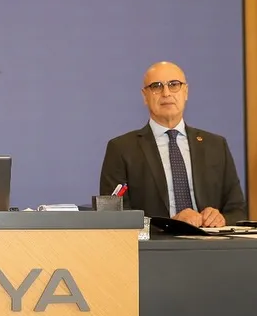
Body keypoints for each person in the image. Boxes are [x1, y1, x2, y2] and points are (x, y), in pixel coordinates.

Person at [99, 61, 246, 227]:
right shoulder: (121, 149)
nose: (166, 93)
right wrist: (169, 224)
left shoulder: (216, 146)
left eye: (174, 85)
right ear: (145, 96)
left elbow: (238, 211)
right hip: (156, 242)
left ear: (186, 92)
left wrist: (221, 218)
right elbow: (113, 216)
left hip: (210, 239)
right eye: (156, 86)